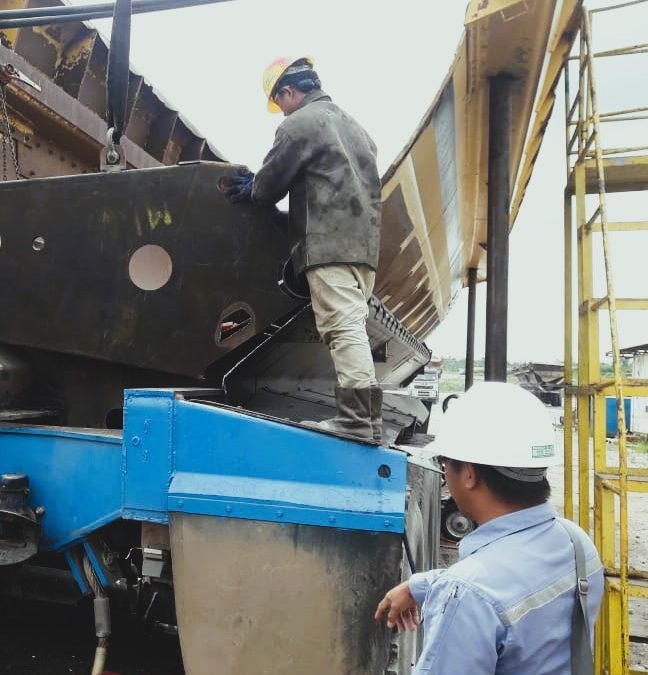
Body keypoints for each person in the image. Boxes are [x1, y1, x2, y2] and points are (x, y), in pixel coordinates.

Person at [374, 382, 604, 674]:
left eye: (445, 462)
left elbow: (481, 591)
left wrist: (451, 590)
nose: (444, 472)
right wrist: (423, 585)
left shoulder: (467, 595)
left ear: (469, 474)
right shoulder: (576, 542)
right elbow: (507, 585)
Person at [222, 57, 383, 442]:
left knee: (342, 328)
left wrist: (252, 187)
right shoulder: (356, 128)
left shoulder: (300, 124)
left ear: (289, 92)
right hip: (363, 246)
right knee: (351, 325)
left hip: (328, 245)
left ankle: (357, 421)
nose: (280, 110)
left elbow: (268, 188)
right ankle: (369, 421)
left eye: (279, 102)